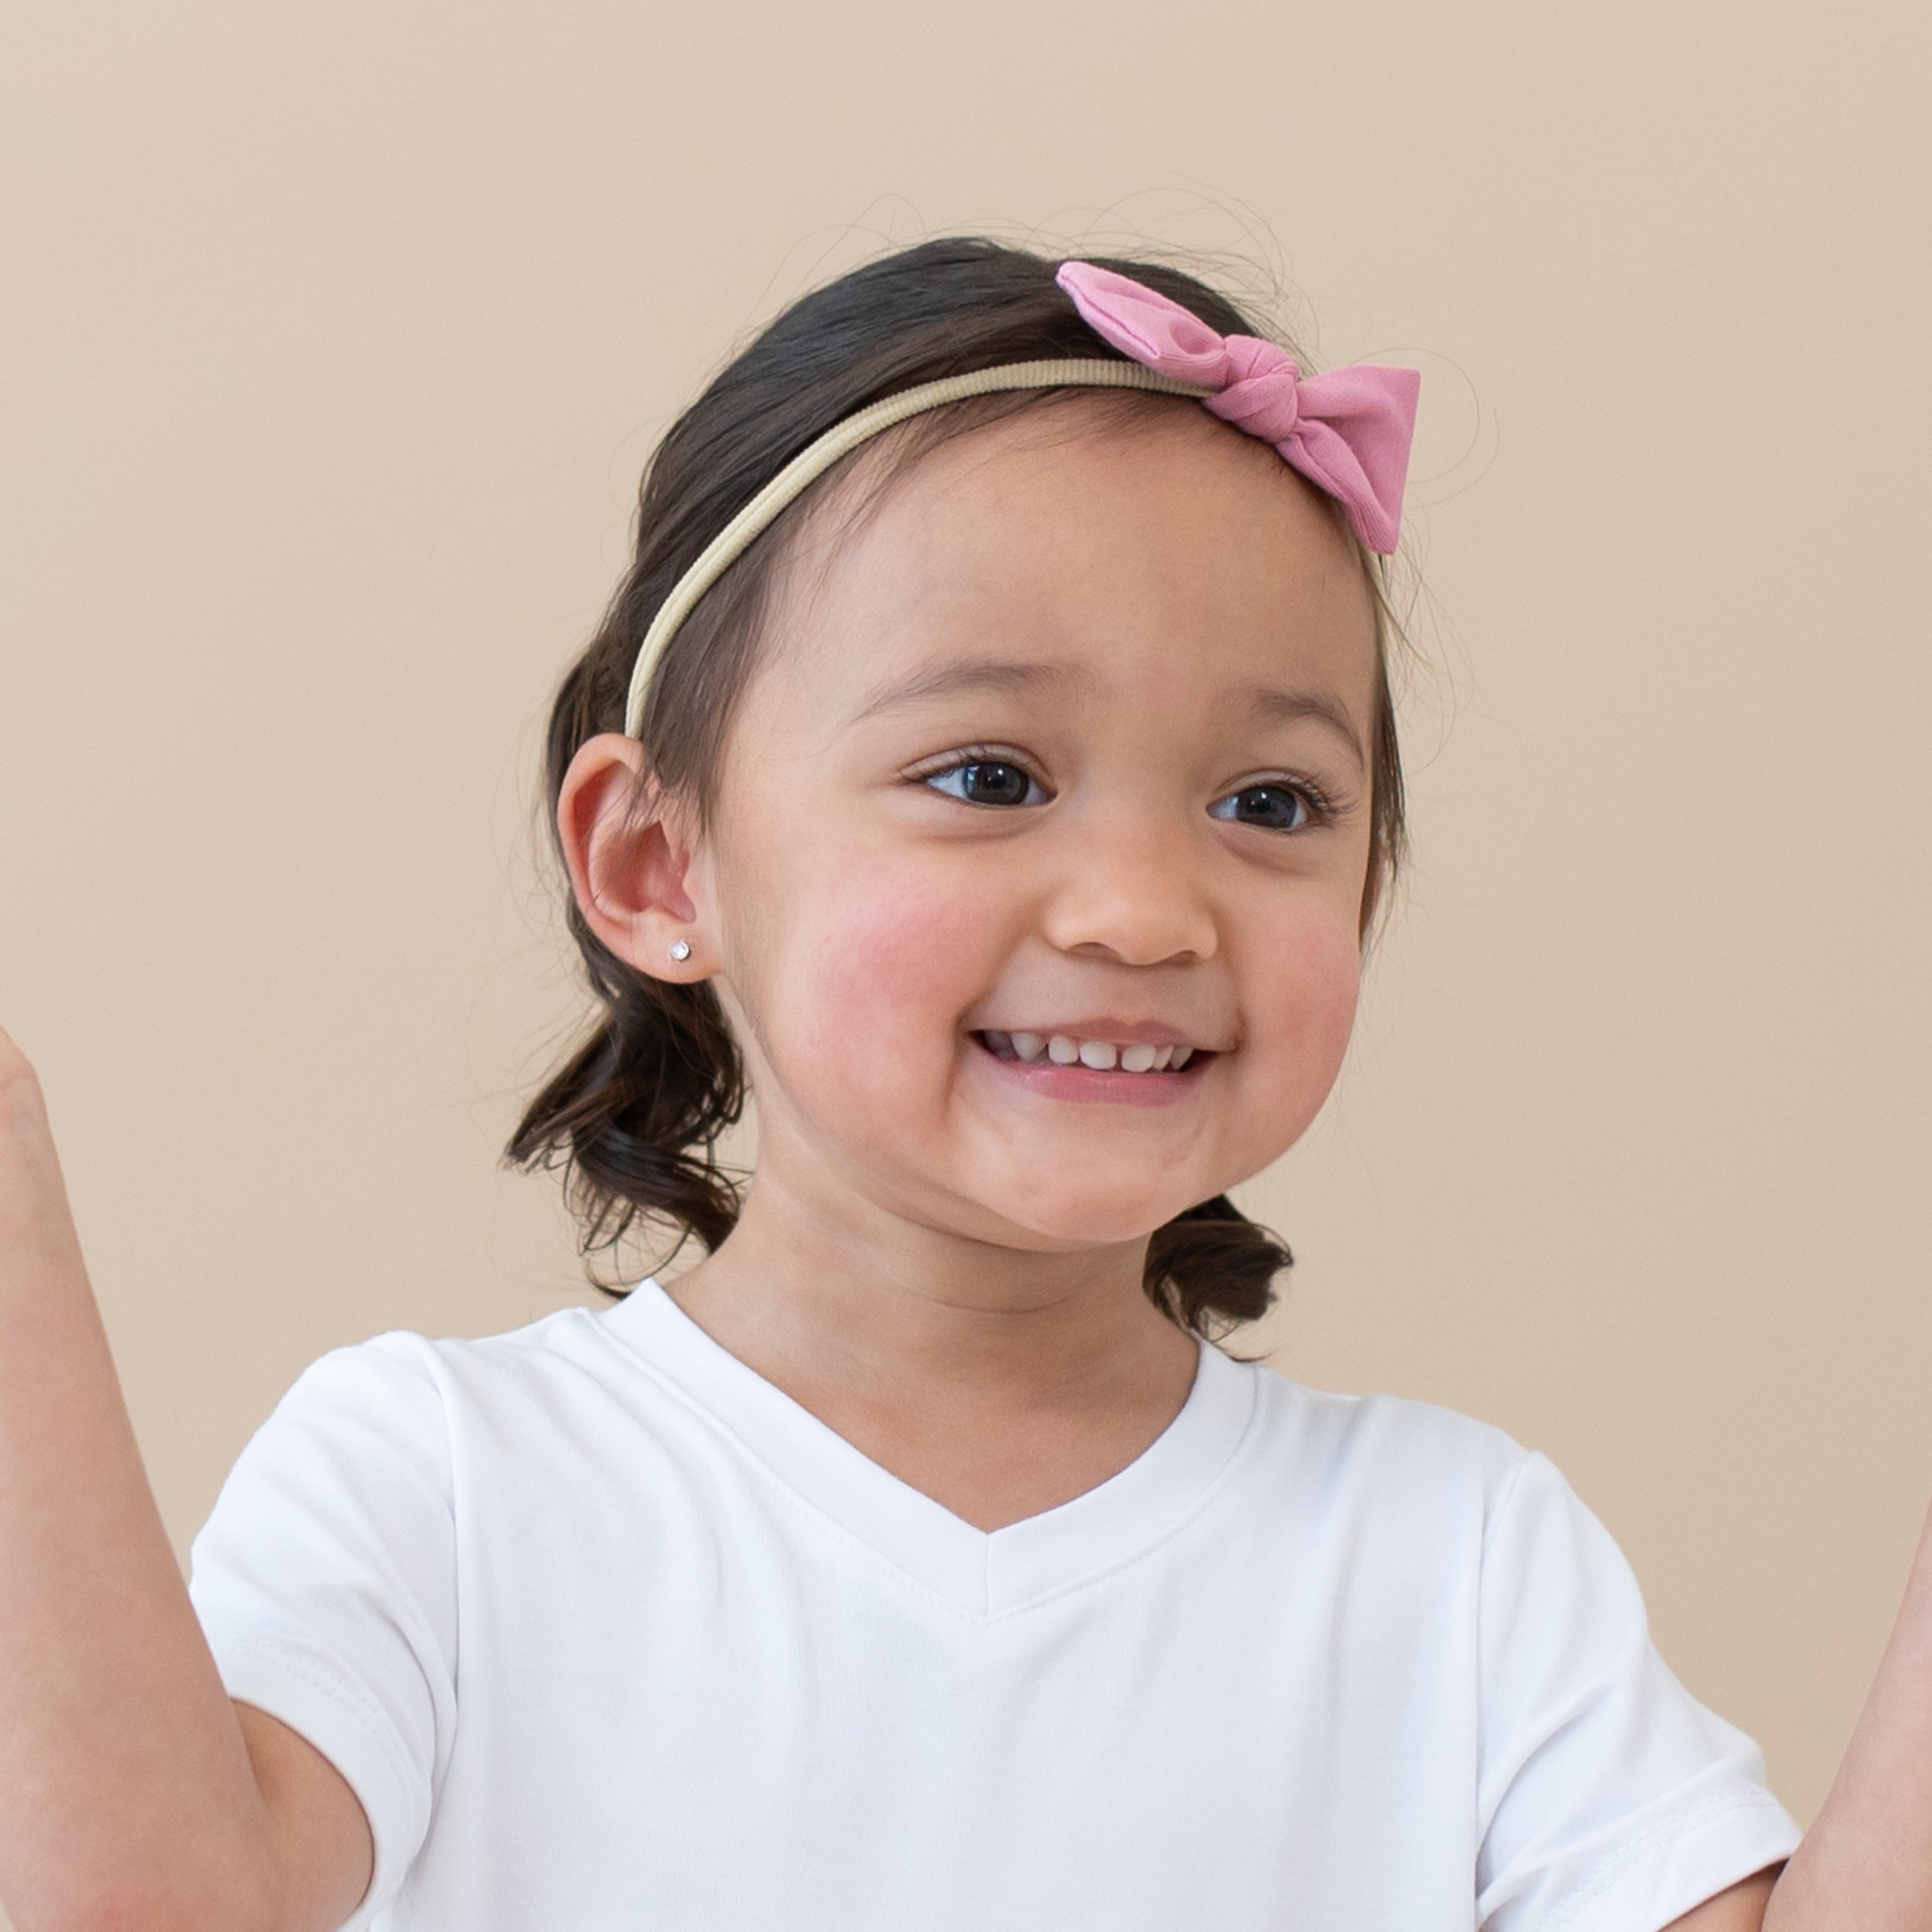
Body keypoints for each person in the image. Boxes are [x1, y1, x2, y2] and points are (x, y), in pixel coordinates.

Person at [1, 237, 1926, 1932]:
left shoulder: (1456, 1557)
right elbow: (144, 1904)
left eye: (1271, 803)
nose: (1143, 910)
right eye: (990, 777)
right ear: (659, 865)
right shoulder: (449, 1483)